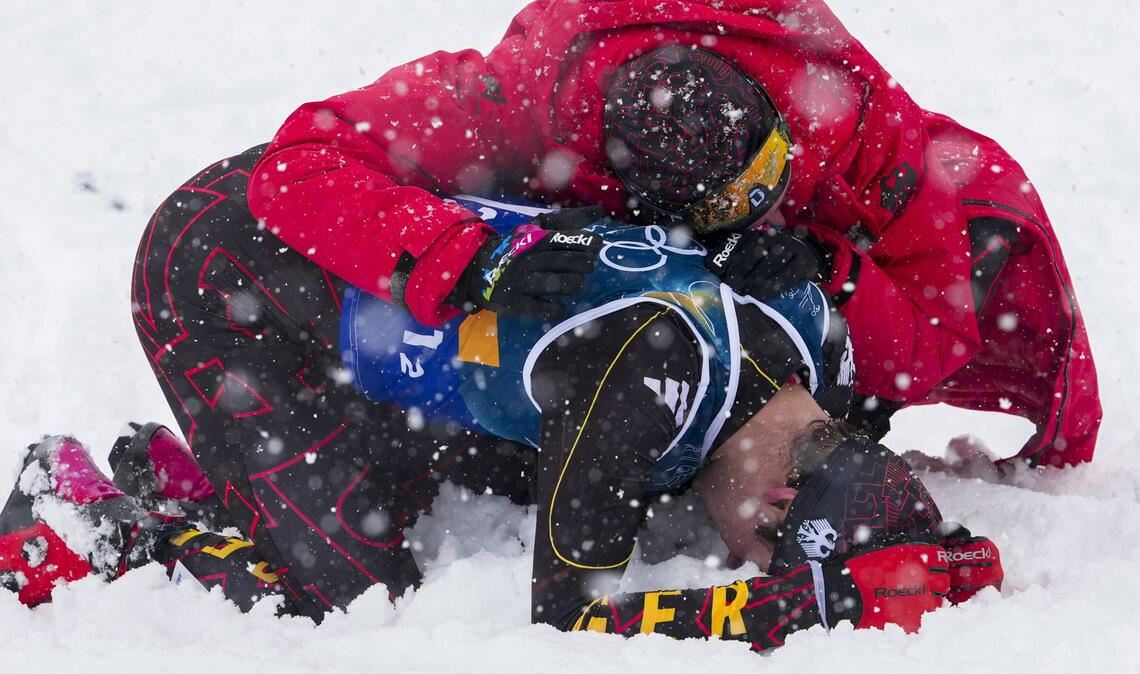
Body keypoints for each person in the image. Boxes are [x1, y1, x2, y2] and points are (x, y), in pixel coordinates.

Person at [0, 148, 1001, 652]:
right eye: (755, 549)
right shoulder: (650, 378)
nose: (731, 548)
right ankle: (85, 513)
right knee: (345, 598)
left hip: (354, 236)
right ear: (780, 502)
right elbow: (568, 626)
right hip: (234, 267)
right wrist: (787, 603)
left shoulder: (802, 339)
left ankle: (191, 470)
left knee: (478, 458)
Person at [244, 0, 1099, 469]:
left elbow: (938, 343)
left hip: (843, 249)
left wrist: (830, 270)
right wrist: (475, 256)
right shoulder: (519, 96)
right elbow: (296, 166)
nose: (760, 209)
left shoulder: (863, 130)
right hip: (551, 275)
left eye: (768, 184)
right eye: (732, 208)